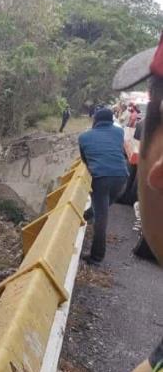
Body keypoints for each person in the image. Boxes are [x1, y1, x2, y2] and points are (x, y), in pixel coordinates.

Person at [0, 34, 163, 372]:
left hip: (99, 181)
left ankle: (95, 253)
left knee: (100, 216)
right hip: (117, 180)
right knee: (105, 215)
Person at [78, 107, 129, 264]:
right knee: (102, 207)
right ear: (112, 119)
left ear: (95, 120)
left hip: (101, 179)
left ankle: (96, 256)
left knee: (102, 217)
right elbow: (120, 150)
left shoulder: (84, 137)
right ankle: (87, 215)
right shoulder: (119, 132)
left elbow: (85, 160)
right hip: (122, 178)